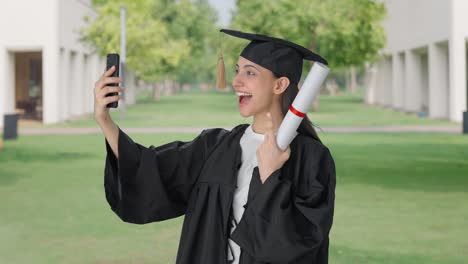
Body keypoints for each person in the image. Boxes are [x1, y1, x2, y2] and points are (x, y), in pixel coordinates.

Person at [94, 29, 336, 264]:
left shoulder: (312, 159)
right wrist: (104, 119)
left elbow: (299, 245)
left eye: (250, 73)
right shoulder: (214, 147)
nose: (236, 81)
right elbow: (147, 168)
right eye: (237, 71)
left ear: (279, 85)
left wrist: (270, 176)